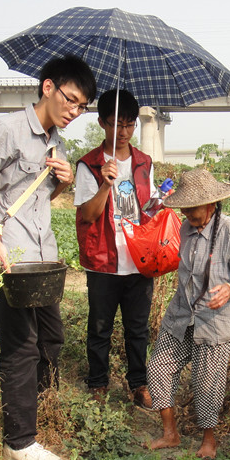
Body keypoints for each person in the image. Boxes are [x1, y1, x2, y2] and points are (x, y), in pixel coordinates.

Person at [0, 56, 97, 460]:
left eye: (81, 107)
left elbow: (41, 198)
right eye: (71, 100)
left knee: (51, 339)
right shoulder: (6, 129)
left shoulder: (57, 141)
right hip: (10, 257)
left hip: (42, 257)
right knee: (20, 347)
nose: (74, 112)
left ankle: (40, 410)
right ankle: (19, 441)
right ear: (47, 87)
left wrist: (64, 180)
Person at [147, 169, 230, 459]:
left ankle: (209, 440)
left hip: (214, 318)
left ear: (211, 204)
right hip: (182, 312)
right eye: (184, 207)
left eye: (193, 208)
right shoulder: (185, 228)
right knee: (159, 366)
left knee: (207, 381)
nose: (187, 213)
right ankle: (170, 433)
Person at [74, 89, 161, 408]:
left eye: (129, 124)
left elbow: (148, 207)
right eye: (115, 124)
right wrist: (105, 184)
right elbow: (89, 214)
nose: (122, 132)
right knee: (100, 328)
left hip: (139, 260)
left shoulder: (144, 163)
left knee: (137, 329)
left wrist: (160, 200)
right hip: (103, 262)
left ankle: (139, 384)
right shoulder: (89, 165)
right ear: (101, 123)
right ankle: (97, 383)